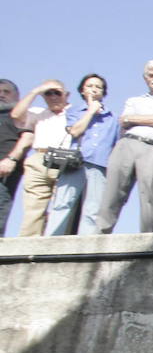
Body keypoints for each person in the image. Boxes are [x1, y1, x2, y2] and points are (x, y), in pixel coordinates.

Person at [98, 60, 153, 233]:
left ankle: (149, 240)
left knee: (150, 198)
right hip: (127, 144)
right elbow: (123, 122)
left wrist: (135, 119)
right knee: (113, 194)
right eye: (151, 76)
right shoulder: (133, 100)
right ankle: (100, 235)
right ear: (145, 78)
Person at [10, 80, 78, 236]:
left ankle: (56, 244)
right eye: (48, 93)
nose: (53, 96)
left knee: (61, 206)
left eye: (57, 92)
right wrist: (36, 91)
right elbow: (15, 115)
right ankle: (27, 246)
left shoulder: (75, 112)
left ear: (66, 94)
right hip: (39, 157)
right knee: (32, 207)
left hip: (64, 158)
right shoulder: (38, 113)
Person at [64, 74, 120, 234]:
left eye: (98, 87)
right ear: (82, 90)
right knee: (63, 204)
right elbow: (75, 131)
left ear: (103, 92)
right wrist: (90, 111)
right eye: (90, 86)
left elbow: (115, 144)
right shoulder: (74, 111)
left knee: (93, 208)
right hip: (74, 163)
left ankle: (85, 246)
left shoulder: (113, 118)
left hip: (100, 164)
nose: (94, 89)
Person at [0, 79, 34, 233]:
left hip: (4, 168)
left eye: (6, 92)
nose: (1, 95)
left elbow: (27, 138)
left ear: (17, 96)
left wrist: (12, 159)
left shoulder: (20, 114)